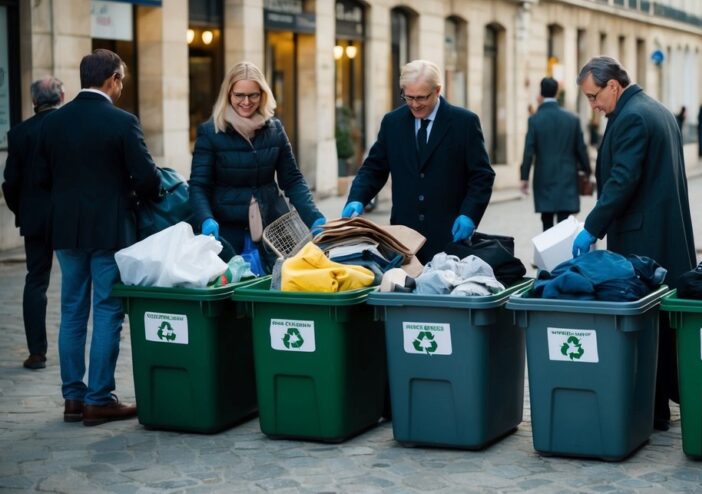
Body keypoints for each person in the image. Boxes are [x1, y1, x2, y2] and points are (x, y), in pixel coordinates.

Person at [571, 56, 697, 432]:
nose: (592, 105)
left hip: (643, 237)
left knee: (646, 323)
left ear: (613, 85)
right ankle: (659, 406)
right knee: (657, 322)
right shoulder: (654, 109)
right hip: (663, 232)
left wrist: (592, 226)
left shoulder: (632, 117)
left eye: (594, 96)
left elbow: (622, 181)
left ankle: (653, 408)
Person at [38, 49, 162, 425]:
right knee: (108, 310)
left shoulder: (52, 123)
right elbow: (147, 177)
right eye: (121, 79)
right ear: (111, 79)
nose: (122, 86)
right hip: (109, 229)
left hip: (66, 231)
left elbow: (42, 179)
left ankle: (73, 399)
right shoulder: (122, 122)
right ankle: (99, 398)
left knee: (72, 311)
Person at [343, 60, 495, 260]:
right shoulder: (392, 123)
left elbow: (482, 175)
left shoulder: (464, 123)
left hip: (449, 237)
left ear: (437, 90)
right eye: (408, 97)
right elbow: (373, 169)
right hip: (403, 239)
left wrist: (469, 214)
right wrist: (357, 198)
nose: (414, 104)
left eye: (421, 98)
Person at [189, 62, 324, 264]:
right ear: (228, 95)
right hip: (227, 232)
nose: (246, 101)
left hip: (274, 231)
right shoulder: (210, 132)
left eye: (253, 95)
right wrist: (205, 219)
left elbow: (292, 180)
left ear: (263, 95)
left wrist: (314, 217)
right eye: (239, 95)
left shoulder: (275, 129)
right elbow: (199, 185)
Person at [3, 76, 64, 370]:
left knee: (36, 281)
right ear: (61, 97)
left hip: (35, 218)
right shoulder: (69, 126)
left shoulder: (19, 133)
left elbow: (10, 184)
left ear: (33, 101)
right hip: (70, 216)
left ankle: (37, 352)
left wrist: (24, 210)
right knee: (77, 282)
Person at [520, 77, 591, 230]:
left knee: (546, 221)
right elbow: (581, 148)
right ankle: (563, 253)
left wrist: (524, 177)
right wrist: (587, 170)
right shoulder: (572, 119)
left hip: (544, 178)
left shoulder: (535, 120)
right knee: (564, 223)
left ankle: (548, 253)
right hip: (567, 177)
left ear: (541, 93)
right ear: (557, 91)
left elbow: (528, 151)